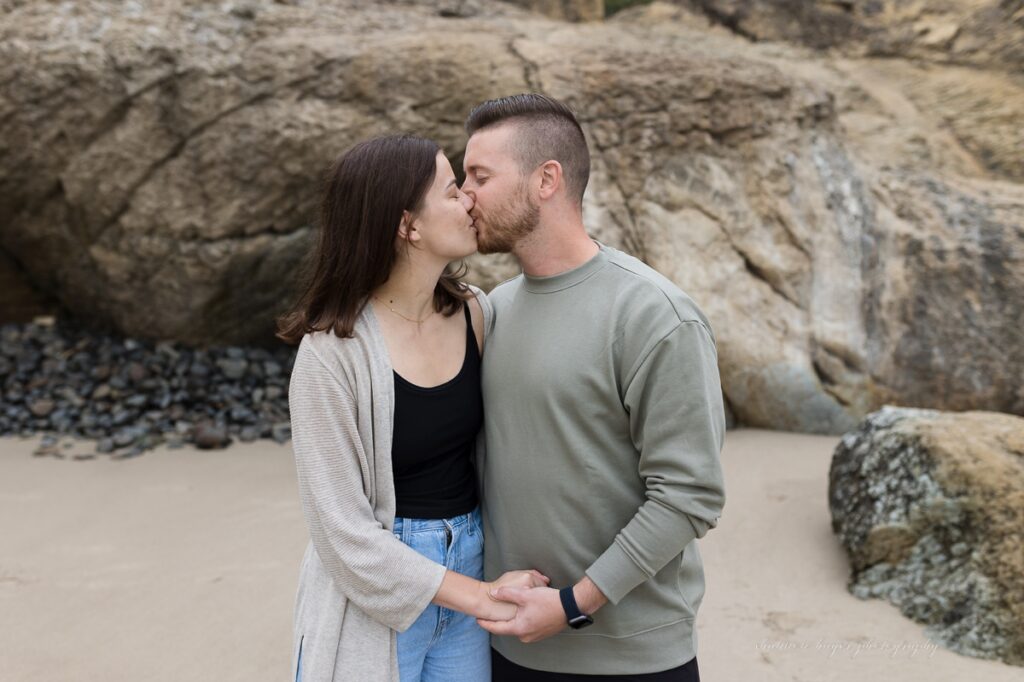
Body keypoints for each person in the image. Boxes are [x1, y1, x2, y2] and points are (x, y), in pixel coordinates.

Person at [460, 93, 727, 681]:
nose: (464, 195)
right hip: (509, 648)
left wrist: (572, 605)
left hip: (632, 657)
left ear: (545, 180)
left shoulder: (655, 315)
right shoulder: (493, 311)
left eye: (479, 176)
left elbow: (690, 494)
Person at [276, 134, 548, 682]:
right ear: (408, 226)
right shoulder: (330, 354)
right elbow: (342, 534)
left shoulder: (476, 316)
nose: (469, 200)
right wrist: (478, 597)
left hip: (471, 564)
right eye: (452, 191)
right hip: (372, 596)